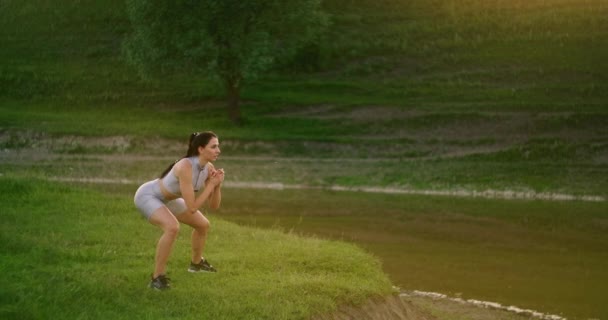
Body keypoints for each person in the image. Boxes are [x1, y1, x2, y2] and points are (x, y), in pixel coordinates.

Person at [134, 131, 225, 290]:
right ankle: (157, 278)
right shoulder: (185, 166)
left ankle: (196, 264)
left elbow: (214, 206)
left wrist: (217, 185)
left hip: (169, 199)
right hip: (148, 195)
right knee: (172, 227)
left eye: (218, 146)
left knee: (203, 225)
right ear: (201, 149)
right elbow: (192, 208)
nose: (218, 150)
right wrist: (210, 185)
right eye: (214, 146)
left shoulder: (208, 167)